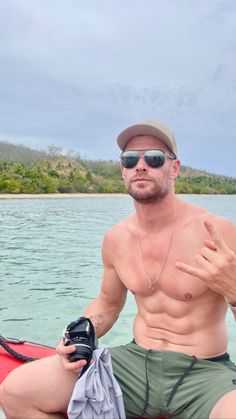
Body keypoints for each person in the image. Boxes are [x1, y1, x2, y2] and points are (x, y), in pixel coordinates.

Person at [1, 119, 236, 419]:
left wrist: (233, 288)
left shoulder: (217, 232)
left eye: (153, 158)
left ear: (174, 169)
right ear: (122, 171)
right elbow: (108, 305)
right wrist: (80, 330)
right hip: (134, 364)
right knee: (16, 392)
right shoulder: (116, 239)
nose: (141, 166)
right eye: (130, 159)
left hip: (204, 371)